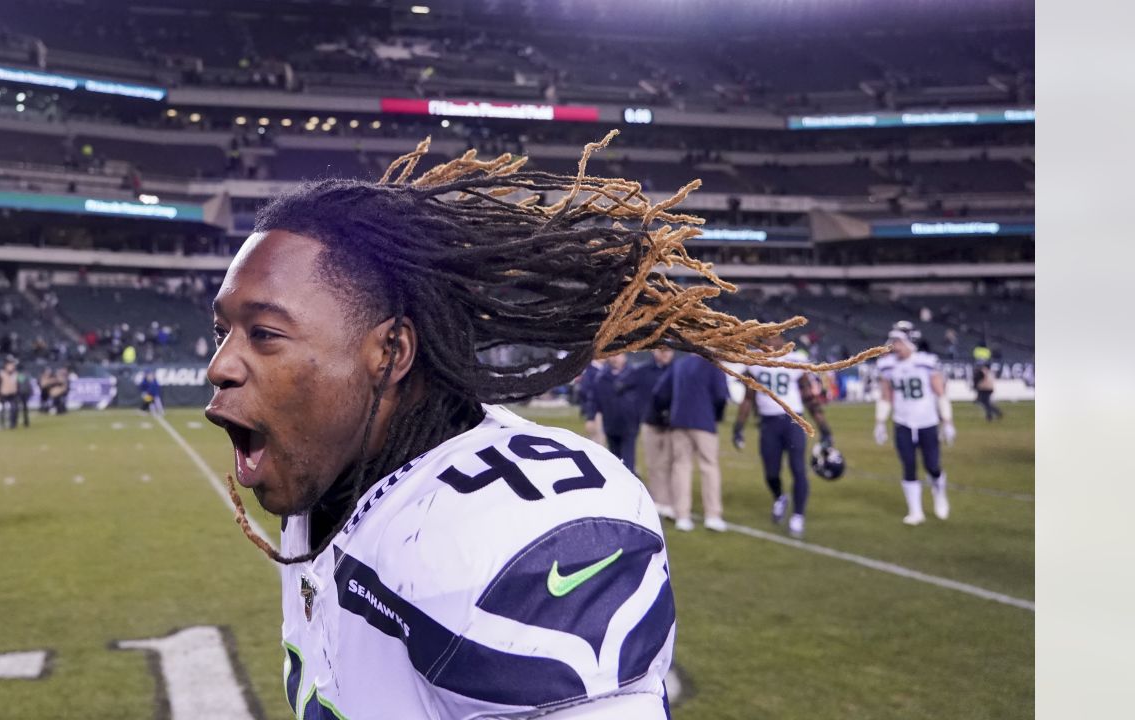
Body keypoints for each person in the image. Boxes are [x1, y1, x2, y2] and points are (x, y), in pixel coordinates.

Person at [200, 134, 880, 718]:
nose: (219, 367)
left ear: (391, 352)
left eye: (262, 333)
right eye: (221, 330)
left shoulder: (512, 527)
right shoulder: (334, 476)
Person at [731, 338, 834, 539]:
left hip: (793, 421)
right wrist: (738, 427)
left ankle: (798, 515)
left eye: (774, 334)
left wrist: (824, 428)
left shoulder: (794, 360)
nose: (770, 339)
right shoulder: (755, 360)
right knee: (770, 472)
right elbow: (748, 398)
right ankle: (779, 497)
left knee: (798, 469)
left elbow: (809, 398)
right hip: (768, 424)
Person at [874, 327, 956, 525]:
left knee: (932, 466)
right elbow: (886, 396)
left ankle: (939, 493)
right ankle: (915, 511)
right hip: (902, 422)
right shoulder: (887, 366)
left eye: (899, 342)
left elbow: (940, 393)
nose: (895, 346)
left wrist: (947, 422)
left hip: (927, 422)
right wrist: (880, 422)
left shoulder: (926, 362)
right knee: (908, 466)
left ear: (910, 342)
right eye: (893, 342)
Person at [651, 353, 731, 532]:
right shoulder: (712, 363)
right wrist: (714, 416)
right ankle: (712, 515)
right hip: (704, 422)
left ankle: (682, 516)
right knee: (709, 467)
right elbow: (720, 396)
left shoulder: (679, 364)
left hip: (679, 421)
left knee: (681, 467)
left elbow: (660, 392)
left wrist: (667, 412)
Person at [632, 348, 676, 519]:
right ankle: (658, 501)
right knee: (654, 464)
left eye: (668, 351)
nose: (665, 353)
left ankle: (672, 501)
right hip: (650, 422)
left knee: (671, 463)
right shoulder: (642, 371)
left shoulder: (678, 370)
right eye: (661, 350)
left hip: (672, 425)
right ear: (653, 351)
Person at [587, 353, 642, 471]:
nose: (615, 358)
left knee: (628, 460)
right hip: (610, 423)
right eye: (613, 355)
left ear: (625, 356)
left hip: (629, 424)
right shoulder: (601, 377)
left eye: (618, 354)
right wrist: (591, 417)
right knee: (614, 459)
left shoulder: (634, 374)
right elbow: (594, 399)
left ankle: (630, 483)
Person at [576, 358, 608, 446]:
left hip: (604, 410)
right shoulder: (591, 371)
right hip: (596, 411)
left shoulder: (602, 369)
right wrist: (590, 415)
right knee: (598, 440)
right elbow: (584, 391)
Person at [0, 357, 19, 430]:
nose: (12, 367)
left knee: (14, 408)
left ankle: (13, 423)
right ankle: (2, 424)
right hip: (4, 393)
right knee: (3, 409)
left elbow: (19, 383)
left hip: (13, 393)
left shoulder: (16, 374)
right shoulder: (1, 373)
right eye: (10, 365)